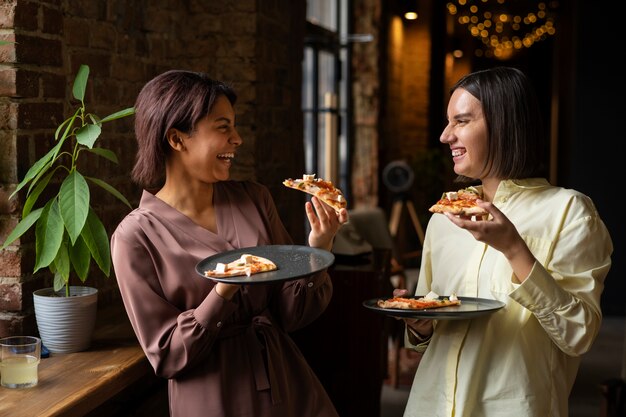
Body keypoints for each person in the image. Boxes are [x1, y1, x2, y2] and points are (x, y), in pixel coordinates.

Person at [110, 70, 348, 417]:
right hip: (212, 399)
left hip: (287, 387)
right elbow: (166, 355)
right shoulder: (135, 237)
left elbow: (292, 314)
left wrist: (320, 247)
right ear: (177, 139)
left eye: (234, 126)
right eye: (223, 128)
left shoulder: (254, 199)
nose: (237, 139)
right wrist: (223, 290)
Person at [397, 66, 613, 417]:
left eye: (461, 121)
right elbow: (429, 332)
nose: (444, 136)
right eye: (448, 122)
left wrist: (514, 249)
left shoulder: (570, 212)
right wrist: (419, 326)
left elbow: (578, 336)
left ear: (503, 124)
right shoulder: (444, 217)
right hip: (429, 405)